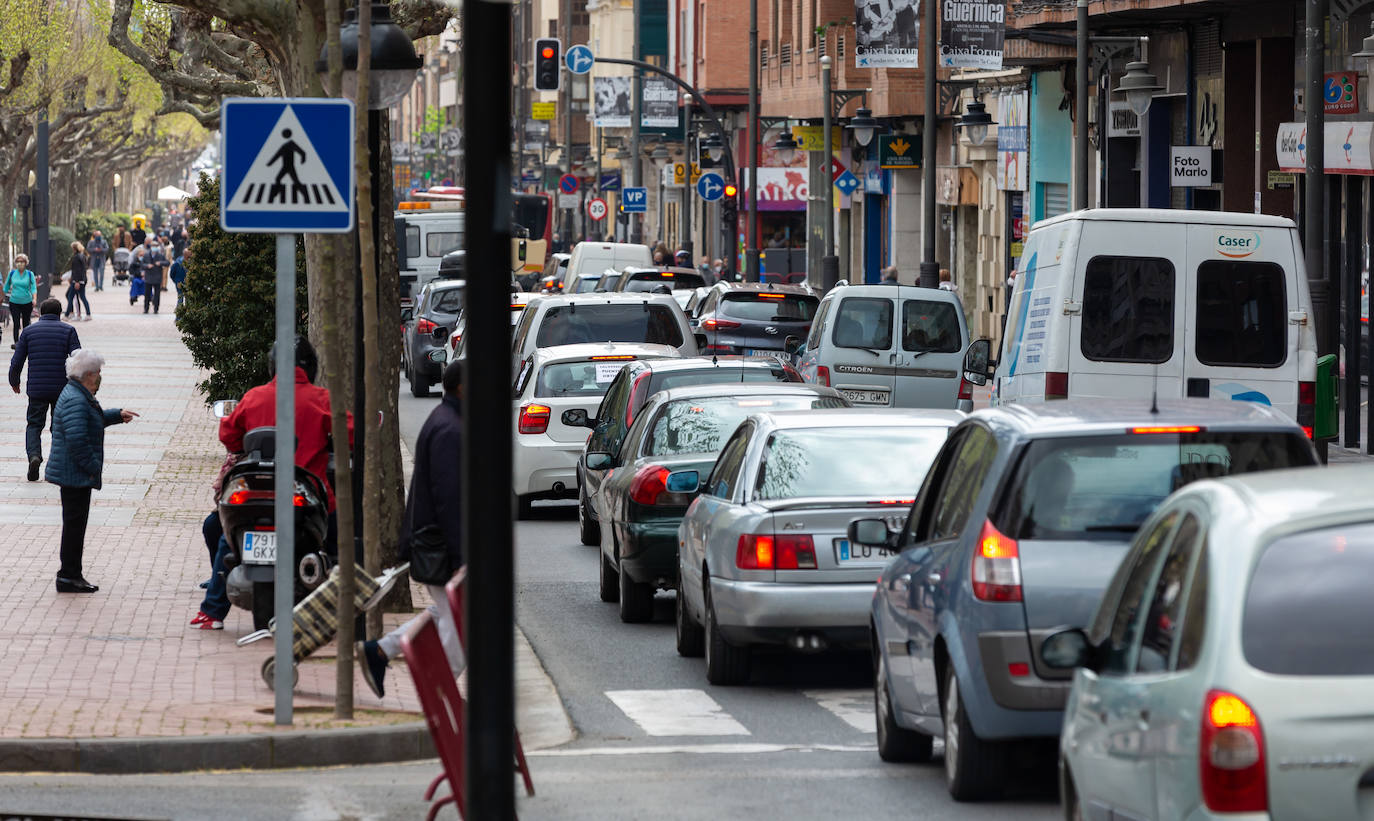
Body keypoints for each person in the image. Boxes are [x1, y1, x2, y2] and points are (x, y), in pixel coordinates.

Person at [193, 338, 353, 628]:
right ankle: (341, 606)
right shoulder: (321, 399)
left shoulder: (254, 397)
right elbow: (351, 433)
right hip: (304, 494)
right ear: (310, 366)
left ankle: (212, 612)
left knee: (227, 541)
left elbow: (228, 435)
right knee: (337, 540)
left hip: (256, 492)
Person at [359, 360, 466, 695]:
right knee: (461, 628)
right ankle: (440, 692)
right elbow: (451, 500)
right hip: (442, 548)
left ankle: (381, 650)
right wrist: (462, 556)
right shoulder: (451, 429)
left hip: (435, 543)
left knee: (445, 616)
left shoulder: (447, 421)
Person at [46, 349, 138, 593]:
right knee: (74, 528)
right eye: (98, 373)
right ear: (88, 375)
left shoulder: (77, 393)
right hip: (74, 476)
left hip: (73, 474)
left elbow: (90, 419)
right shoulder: (76, 399)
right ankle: (68, 576)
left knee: (74, 526)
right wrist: (92, 467)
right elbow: (77, 440)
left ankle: (71, 574)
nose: (100, 377)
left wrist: (117, 415)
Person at [10, 298, 81, 481]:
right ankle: (56, 465)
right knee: (59, 426)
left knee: (34, 424)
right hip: (62, 389)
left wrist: (14, 380)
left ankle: (34, 455)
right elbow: (77, 359)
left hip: (37, 389)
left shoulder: (28, 331)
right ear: (59, 313)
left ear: (41, 313)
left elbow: (17, 360)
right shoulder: (68, 330)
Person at [5, 254, 37, 348]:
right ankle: (16, 342)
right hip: (14, 301)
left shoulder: (30, 274)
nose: (20, 263)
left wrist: (34, 298)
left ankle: (26, 342)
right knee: (16, 323)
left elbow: (33, 288)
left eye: (22, 261)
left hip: (27, 302)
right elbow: (6, 286)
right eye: (18, 261)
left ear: (26, 263)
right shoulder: (12, 274)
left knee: (26, 323)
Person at [65, 241, 91, 321]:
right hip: (82, 280)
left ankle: (67, 315)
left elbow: (77, 270)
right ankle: (86, 314)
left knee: (70, 296)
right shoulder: (82, 256)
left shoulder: (76, 257)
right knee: (81, 297)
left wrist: (76, 281)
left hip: (77, 281)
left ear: (74, 249)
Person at [142, 239, 168, 314]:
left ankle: (156, 309)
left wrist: (160, 263)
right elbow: (142, 265)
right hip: (148, 277)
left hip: (157, 277)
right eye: (153, 246)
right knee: (147, 294)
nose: (154, 248)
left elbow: (167, 262)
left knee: (157, 294)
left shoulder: (160, 255)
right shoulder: (146, 255)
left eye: (156, 246)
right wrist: (147, 265)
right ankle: (146, 308)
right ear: (150, 247)